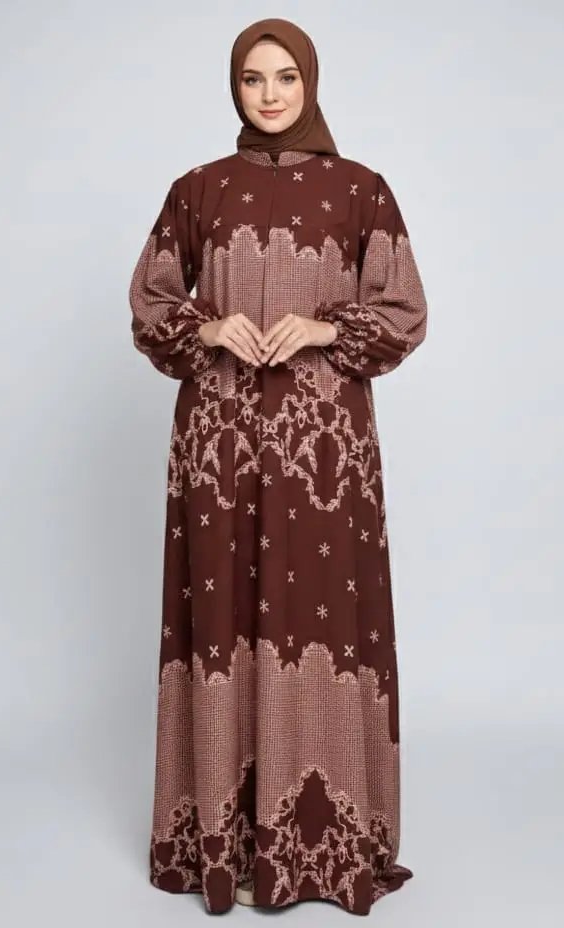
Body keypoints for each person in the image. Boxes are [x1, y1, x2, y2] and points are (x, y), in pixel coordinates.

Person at [128, 17, 427, 916]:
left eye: (285, 77)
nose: (269, 94)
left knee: (319, 625)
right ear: (235, 88)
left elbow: (405, 312)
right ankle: (223, 841)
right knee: (223, 617)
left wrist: (325, 328)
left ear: (311, 83)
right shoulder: (197, 191)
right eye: (252, 78)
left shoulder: (362, 190)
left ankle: (321, 847)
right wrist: (210, 325)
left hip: (323, 455)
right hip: (219, 447)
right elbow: (151, 305)